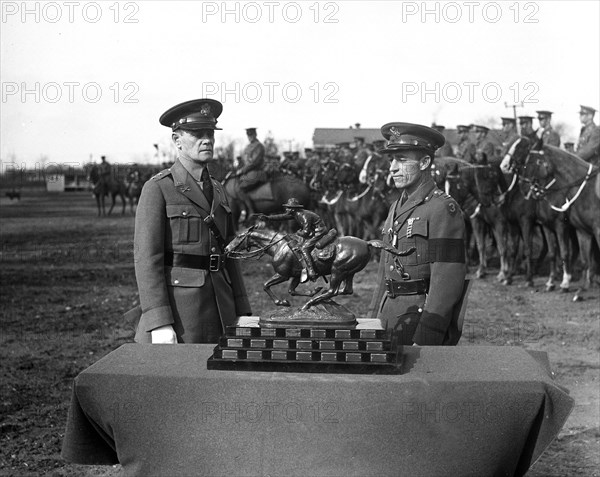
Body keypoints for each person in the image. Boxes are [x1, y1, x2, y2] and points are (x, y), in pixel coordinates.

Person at [129, 98, 252, 344]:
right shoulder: (159, 188)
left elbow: (231, 253)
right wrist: (159, 320)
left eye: (209, 133)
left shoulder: (219, 189)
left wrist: (241, 308)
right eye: (196, 133)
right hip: (183, 312)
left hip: (222, 306)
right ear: (177, 141)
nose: (206, 139)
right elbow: (147, 259)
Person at [368, 122, 467, 346]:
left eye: (401, 160)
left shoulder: (442, 208)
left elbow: (446, 281)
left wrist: (426, 338)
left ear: (424, 162)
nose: (392, 167)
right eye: (391, 160)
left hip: (418, 322)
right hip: (389, 314)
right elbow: (384, 273)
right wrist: (374, 318)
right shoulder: (396, 206)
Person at [258, 198, 328, 281]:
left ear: (293, 209)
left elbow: (305, 232)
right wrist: (268, 218)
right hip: (312, 232)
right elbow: (282, 217)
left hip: (318, 232)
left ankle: (311, 270)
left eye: (288, 207)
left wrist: (298, 233)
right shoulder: (295, 214)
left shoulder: (304, 216)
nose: (286, 209)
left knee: (304, 248)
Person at [236, 127, 266, 215]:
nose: (250, 137)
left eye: (251, 135)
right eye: (248, 135)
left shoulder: (259, 146)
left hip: (257, 172)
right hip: (248, 172)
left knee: (240, 188)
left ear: (255, 134)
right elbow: (244, 160)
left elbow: (254, 162)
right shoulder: (248, 146)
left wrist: (242, 170)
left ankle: (251, 211)